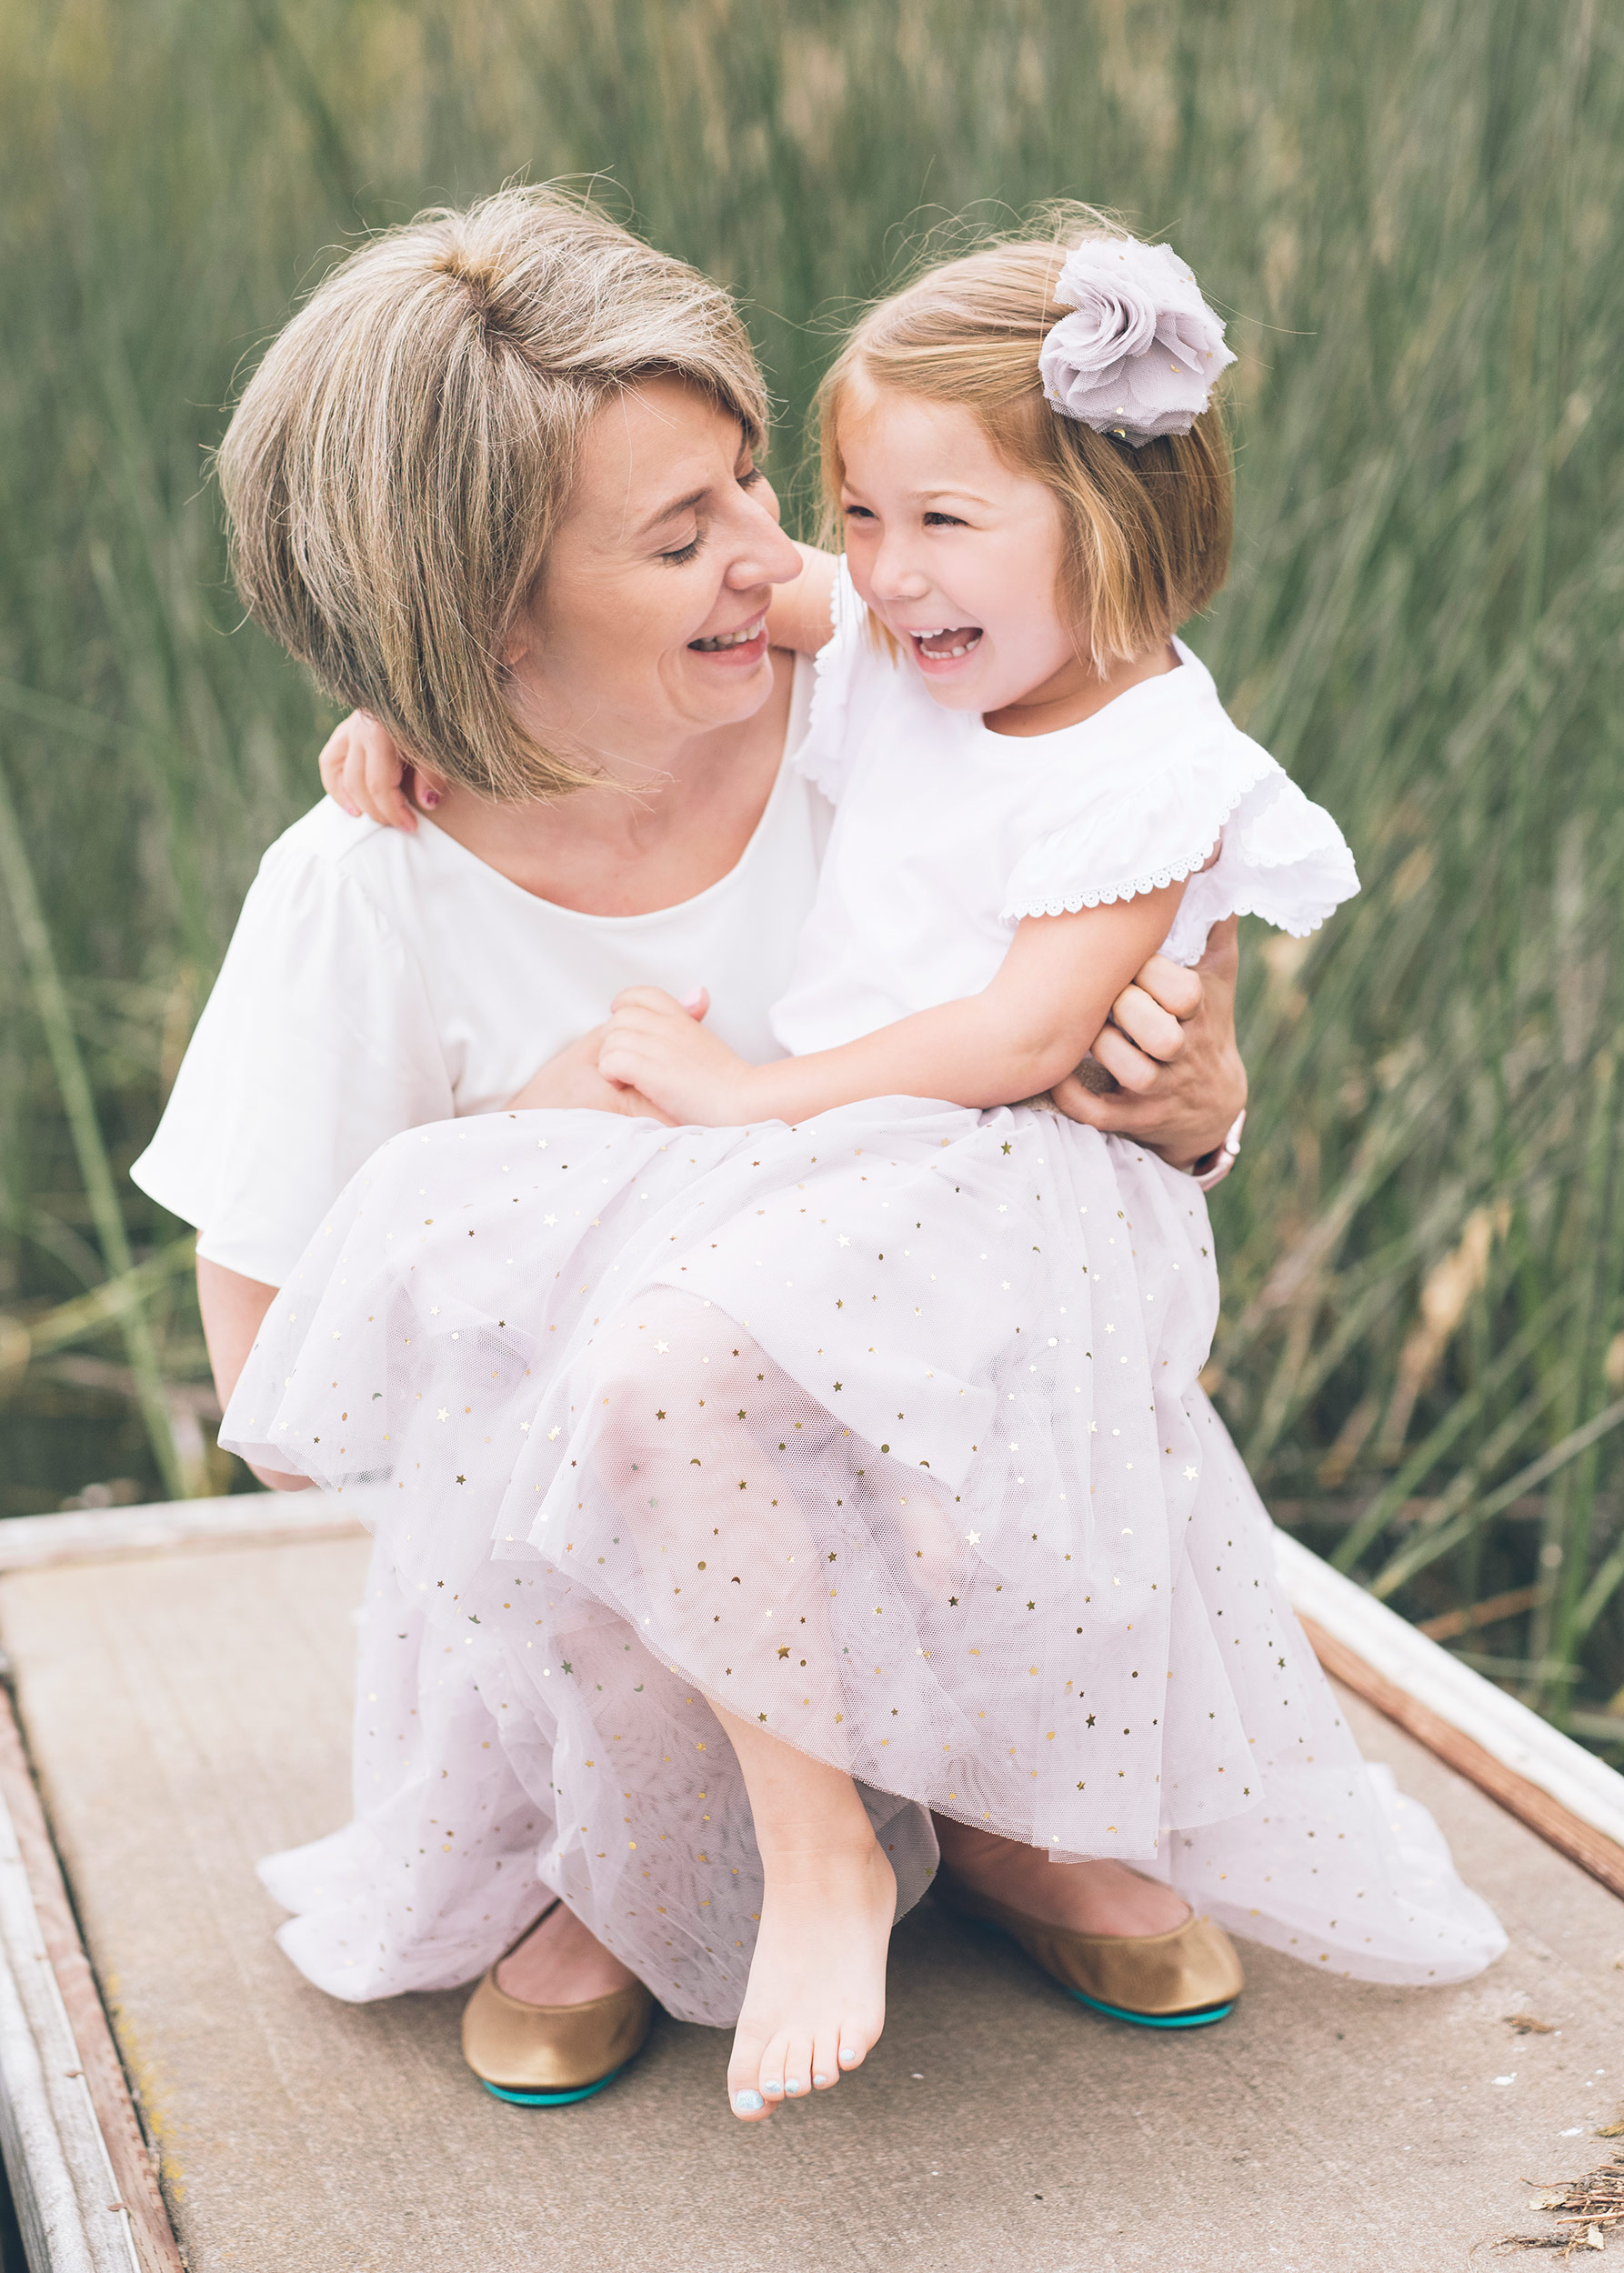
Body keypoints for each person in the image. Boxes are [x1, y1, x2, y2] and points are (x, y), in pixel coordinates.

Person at [216, 210, 1506, 2124]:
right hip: (611, 1541)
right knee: (641, 1347)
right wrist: (561, 1118)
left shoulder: (887, 680)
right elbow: (278, 1378)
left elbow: (1038, 1042)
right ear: (482, 610)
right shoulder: (372, 878)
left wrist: (1189, 1099)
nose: (785, 558)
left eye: (755, 486)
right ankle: (620, 1842)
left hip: (942, 1405)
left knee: (843, 1319)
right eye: (681, 537)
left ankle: (987, 1786)